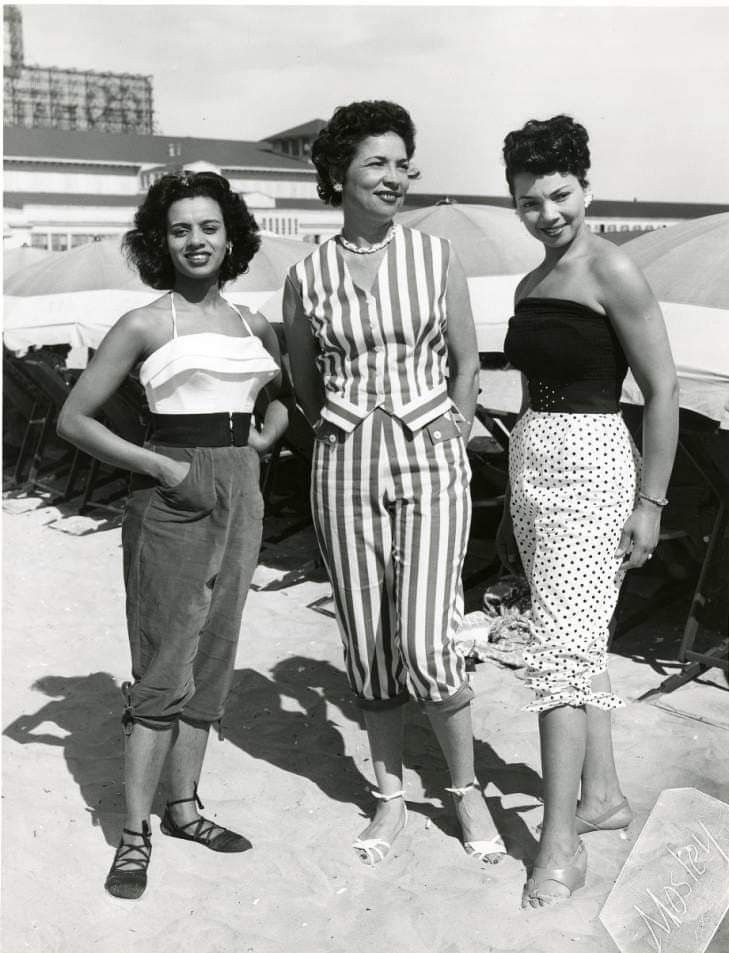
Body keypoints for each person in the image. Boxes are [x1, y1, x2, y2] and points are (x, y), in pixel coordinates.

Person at [283, 100, 505, 867]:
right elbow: (302, 379)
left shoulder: (435, 256)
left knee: (425, 640)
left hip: (429, 458)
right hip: (342, 464)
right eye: (376, 161)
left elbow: (468, 361)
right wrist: (342, 427)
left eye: (401, 162)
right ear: (339, 171)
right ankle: (389, 794)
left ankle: (465, 786)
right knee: (371, 645)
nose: (394, 176)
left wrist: (454, 422)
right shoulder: (306, 273)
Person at [57, 171, 288, 899]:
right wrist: (164, 465)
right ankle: (133, 836)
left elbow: (276, 404)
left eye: (209, 227)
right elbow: (75, 418)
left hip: (240, 496)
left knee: (214, 659)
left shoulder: (255, 324)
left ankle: (185, 808)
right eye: (181, 228)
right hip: (173, 495)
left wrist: (258, 443)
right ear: (161, 241)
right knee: (164, 663)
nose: (196, 240)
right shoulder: (146, 322)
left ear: (232, 235)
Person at [496, 115, 679, 907]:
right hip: (531, 462)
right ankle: (599, 794)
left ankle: (560, 841)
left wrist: (651, 502)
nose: (547, 214)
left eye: (560, 195)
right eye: (529, 201)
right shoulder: (529, 284)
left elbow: (663, 391)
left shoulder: (614, 271)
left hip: (595, 468)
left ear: (585, 187)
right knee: (574, 640)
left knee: (557, 655)